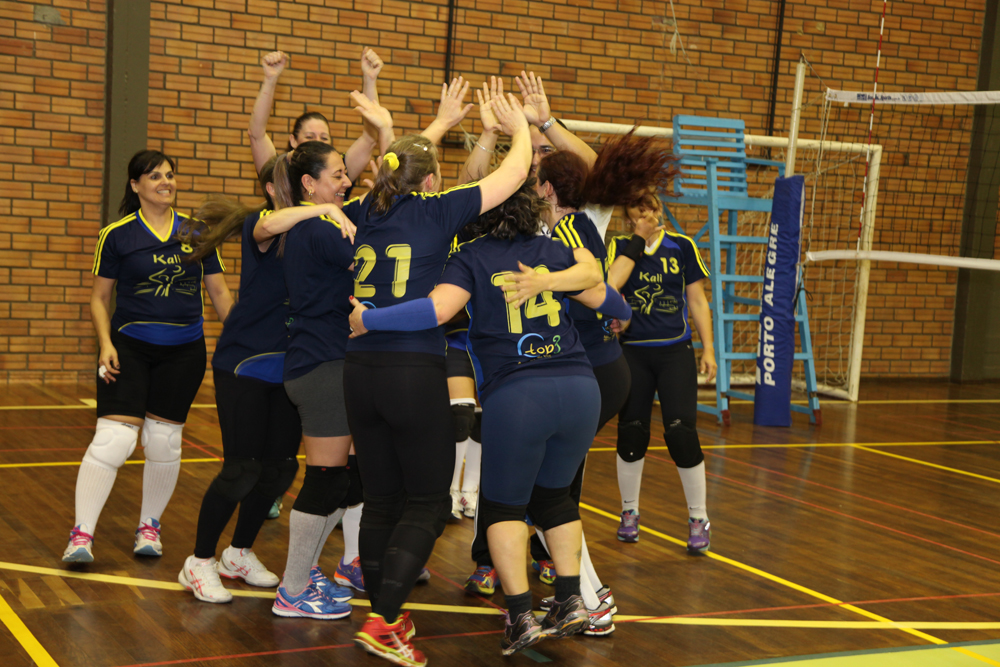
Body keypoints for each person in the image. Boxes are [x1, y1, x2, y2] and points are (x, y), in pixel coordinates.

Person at [347, 180, 633, 655]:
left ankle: (520, 615)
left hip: (520, 394)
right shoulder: (553, 250)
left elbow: (437, 310)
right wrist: (620, 312)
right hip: (581, 388)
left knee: (503, 508)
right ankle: (569, 600)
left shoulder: (471, 257)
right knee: (555, 498)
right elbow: (605, 296)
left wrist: (369, 320)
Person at [342, 87, 531, 667]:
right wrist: (521, 126)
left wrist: (425, 127)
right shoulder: (436, 209)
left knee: (380, 501)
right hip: (411, 368)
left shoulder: (364, 210)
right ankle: (383, 621)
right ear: (429, 182)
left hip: (359, 370)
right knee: (426, 501)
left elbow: (396, 166)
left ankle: (388, 617)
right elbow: (513, 174)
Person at [63, 150, 233, 564]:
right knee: (113, 441)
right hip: (129, 348)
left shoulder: (196, 232)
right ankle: (81, 535)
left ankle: (149, 527)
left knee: (163, 441)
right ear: (135, 185)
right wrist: (106, 343)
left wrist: (243, 340)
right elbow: (100, 298)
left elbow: (219, 293)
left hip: (184, 352)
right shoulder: (117, 235)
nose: (165, 182)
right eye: (154, 176)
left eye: (170, 175)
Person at [174, 160, 321, 603]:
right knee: (242, 469)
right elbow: (273, 222)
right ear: (275, 190)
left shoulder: (311, 231)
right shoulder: (264, 224)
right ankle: (199, 561)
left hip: (288, 367)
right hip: (245, 365)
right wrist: (326, 208)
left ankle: (238, 552)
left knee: (281, 467)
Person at [267, 138, 373, 621]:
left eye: (346, 174)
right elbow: (373, 268)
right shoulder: (319, 227)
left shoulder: (320, 224)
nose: (346, 181)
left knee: (344, 483)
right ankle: (292, 591)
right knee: (326, 481)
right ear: (309, 184)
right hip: (322, 365)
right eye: (337, 175)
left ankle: (305, 574)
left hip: (327, 361)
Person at [602, 133, 718, 552]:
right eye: (637, 208)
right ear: (628, 215)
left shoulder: (681, 247)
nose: (646, 213)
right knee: (632, 432)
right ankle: (629, 512)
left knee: (681, 432)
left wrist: (709, 349)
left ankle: (699, 518)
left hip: (674, 353)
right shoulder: (619, 248)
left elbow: (697, 300)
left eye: (650, 205)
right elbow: (609, 288)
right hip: (632, 354)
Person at [248, 48, 384, 178]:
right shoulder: (280, 174)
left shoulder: (340, 173)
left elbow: (369, 138)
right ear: (293, 141)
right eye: (309, 136)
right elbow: (256, 135)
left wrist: (370, 79)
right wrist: (270, 80)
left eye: (324, 138)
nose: (318, 143)